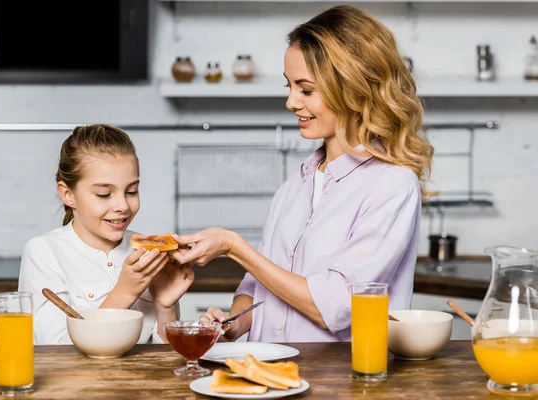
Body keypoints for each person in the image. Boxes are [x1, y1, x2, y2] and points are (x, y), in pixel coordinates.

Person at [171, 5, 434, 343]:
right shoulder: (297, 183)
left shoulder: (392, 186)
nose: (291, 102)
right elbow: (260, 282)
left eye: (306, 90)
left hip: (339, 386)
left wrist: (234, 247)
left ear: (353, 90)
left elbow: (336, 307)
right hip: (268, 373)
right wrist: (233, 323)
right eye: (289, 86)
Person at [19, 124, 194, 345]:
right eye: (104, 194)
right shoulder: (44, 252)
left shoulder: (146, 253)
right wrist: (125, 292)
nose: (122, 205)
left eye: (131, 191)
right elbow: (55, 350)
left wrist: (166, 307)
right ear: (67, 194)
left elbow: (167, 361)